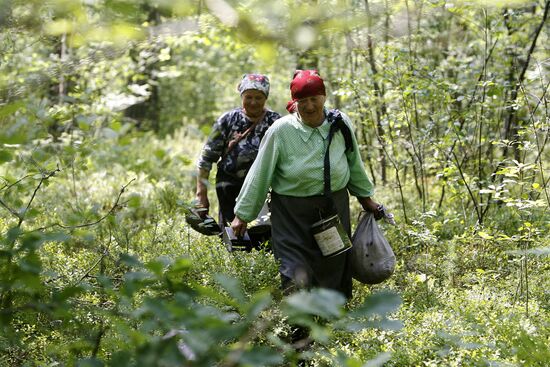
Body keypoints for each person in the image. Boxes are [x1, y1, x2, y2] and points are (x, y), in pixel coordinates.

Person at [231, 70, 383, 299]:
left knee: (334, 266)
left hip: (333, 208)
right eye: (303, 101)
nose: (310, 106)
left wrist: (367, 199)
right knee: (293, 270)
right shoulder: (281, 131)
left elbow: (354, 164)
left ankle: (332, 322)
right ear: (295, 102)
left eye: (314, 99)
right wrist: (242, 214)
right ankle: (299, 327)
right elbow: (260, 173)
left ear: (324, 97)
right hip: (291, 213)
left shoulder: (340, 124)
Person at [195, 74, 281, 232]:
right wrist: (201, 195)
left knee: (263, 235)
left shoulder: (276, 122)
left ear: (266, 98)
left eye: (259, 97)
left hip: (264, 190)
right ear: (241, 96)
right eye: (248, 97)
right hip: (230, 187)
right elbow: (206, 159)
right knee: (232, 237)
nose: (253, 102)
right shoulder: (227, 120)